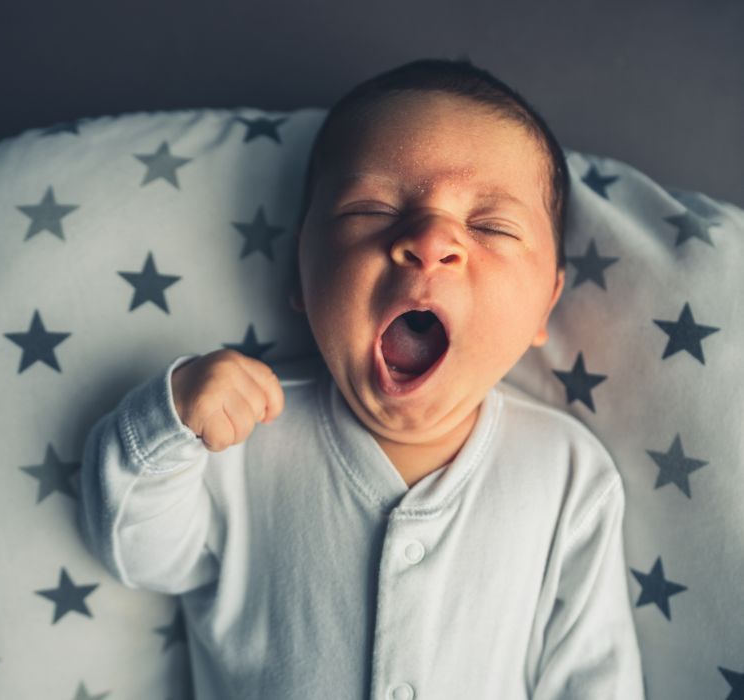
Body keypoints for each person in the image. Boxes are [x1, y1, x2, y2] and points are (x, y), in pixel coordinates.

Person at [78, 57, 645, 699]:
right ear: (301, 275)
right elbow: (138, 555)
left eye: (489, 225)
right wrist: (168, 423)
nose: (432, 241)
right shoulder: (240, 438)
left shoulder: (566, 473)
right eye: (372, 209)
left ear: (546, 303)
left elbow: (595, 677)